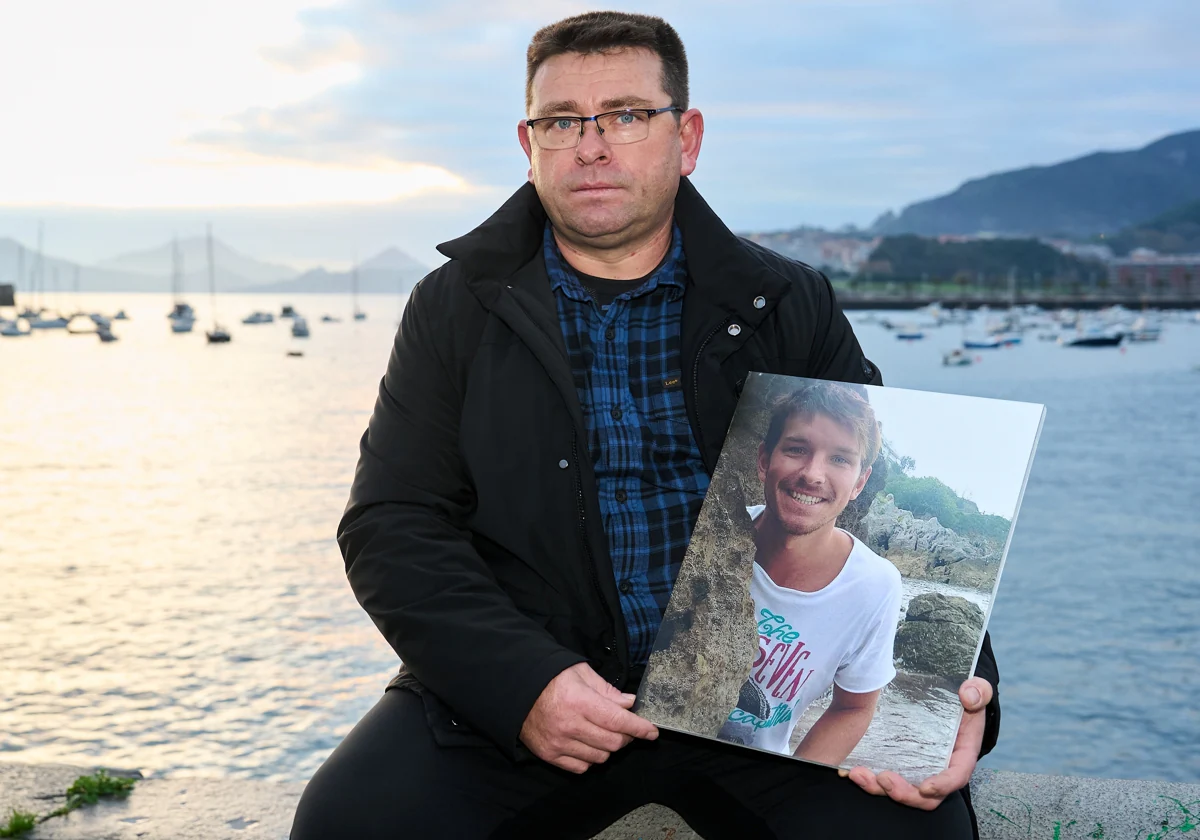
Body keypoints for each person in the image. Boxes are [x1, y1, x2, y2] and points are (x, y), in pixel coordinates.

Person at [291, 11, 1000, 840]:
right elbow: (392, 523)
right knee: (348, 825)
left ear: (686, 137)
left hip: (747, 690)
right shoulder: (455, 307)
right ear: (530, 144)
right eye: (562, 121)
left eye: (626, 115)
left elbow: (864, 496)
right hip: (529, 681)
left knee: (919, 835)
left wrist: (965, 683)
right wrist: (522, 683)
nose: (591, 146)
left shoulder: (784, 300)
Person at [719, 381, 902, 767]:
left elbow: (853, 707)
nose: (813, 474)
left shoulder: (875, 586)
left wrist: (790, 782)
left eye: (840, 459)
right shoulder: (713, 538)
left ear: (860, 482)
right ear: (764, 459)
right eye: (797, 449)